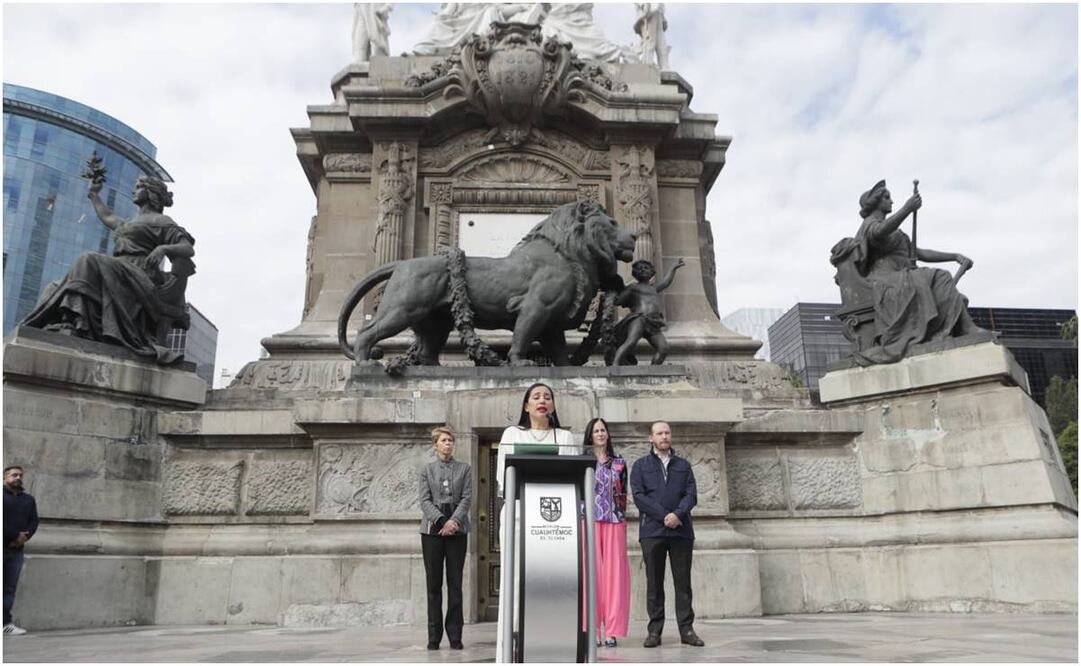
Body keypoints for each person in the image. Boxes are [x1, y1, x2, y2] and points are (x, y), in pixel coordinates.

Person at [20, 168, 196, 364]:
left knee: (89, 259)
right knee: (55, 286)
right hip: (117, 269)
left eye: (139, 187)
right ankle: (69, 322)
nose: (134, 191)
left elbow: (187, 248)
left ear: (151, 193)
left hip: (140, 273)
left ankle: (77, 322)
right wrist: (94, 194)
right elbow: (108, 217)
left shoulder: (162, 221)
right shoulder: (130, 222)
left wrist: (163, 248)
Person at [829, 180, 983, 364]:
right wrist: (907, 209)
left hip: (903, 275)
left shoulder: (895, 231)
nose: (891, 201)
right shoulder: (870, 225)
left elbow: (919, 253)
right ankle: (962, 328)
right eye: (887, 197)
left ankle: (958, 329)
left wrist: (954, 256)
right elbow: (879, 232)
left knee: (940, 279)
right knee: (936, 277)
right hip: (884, 279)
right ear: (876, 203)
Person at [495, 382, 579, 660]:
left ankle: (556, 644)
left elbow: (573, 478)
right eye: (536, 397)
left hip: (556, 521)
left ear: (553, 405)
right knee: (518, 576)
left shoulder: (565, 437)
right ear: (526, 405)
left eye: (547, 397)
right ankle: (515, 642)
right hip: (519, 515)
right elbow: (502, 480)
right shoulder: (511, 434)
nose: (542, 401)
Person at [629, 421, 704, 648]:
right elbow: (639, 496)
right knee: (654, 583)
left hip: (681, 531)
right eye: (659, 433)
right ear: (650, 438)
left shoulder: (683, 465)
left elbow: (691, 495)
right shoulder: (640, 466)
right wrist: (664, 516)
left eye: (667, 433)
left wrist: (677, 514)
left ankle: (687, 630)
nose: (664, 436)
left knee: (683, 584)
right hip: (652, 531)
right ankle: (654, 631)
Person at [419, 426, 472, 650]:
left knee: (455, 584)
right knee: (433, 585)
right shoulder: (427, 470)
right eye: (443, 440)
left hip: (457, 532)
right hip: (432, 532)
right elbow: (424, 500)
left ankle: (455, 635)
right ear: (435, 445)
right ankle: (433, 636)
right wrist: (442, 521)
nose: (448, 443)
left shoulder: (465, 469)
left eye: (450, 440)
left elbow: (467, 497)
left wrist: (454, 522)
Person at [585, 417, 629, 648]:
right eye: (596, 430)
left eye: (603, 430)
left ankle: (611, 631)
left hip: (614, 521)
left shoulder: (619, 462)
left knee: (614, 579)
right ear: (590, 435)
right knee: (591, 576)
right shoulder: (583, 461)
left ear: (608, 434)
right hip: (589, 522)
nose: (600, 434)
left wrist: (622, 519)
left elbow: (624, 495)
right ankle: (592, 629)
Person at [608, 258, 684, 366]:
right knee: (631, 341)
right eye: (639, 269)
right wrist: (612, 294)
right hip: (639, 318)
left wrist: (673, 268)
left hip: (653, 322)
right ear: (635, 273)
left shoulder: (654, 288)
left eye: (646, 268)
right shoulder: (633, 287)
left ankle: (654, 369)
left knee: (663, 348)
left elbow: (666, 281)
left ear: (652, 272)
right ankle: (615, 364)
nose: (643, 270)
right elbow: (619, 301)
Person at [3, 466, 38, 636]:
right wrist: (14, 535)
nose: (18, 477)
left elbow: (33, 521)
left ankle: (4, 623)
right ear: (4, 478)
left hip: (16, 551)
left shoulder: (28, 500)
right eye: (13, 475)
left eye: (20, 475)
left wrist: (25, 537)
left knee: (9, 588)